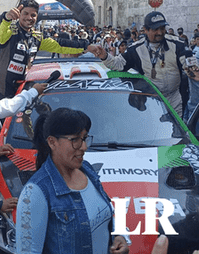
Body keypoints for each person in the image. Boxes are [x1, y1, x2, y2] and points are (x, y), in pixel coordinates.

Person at [16, 108, 129, 254]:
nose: (84, 147)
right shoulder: (36, 193)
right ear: (52, 142)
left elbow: (105, 212)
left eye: (85, 138)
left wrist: (119, 235)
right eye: (75, 140)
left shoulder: (87, 170)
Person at [89, 11, 193, 115]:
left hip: (175, 99)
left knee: (176, 130)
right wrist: (104, 56)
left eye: (162, 28)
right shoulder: (136, 49)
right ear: (146, 30)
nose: (160, 32)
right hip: (151, 101)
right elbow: (117, 64)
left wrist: (192, 69)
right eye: (155, 29)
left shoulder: (178, 44)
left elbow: (191, 66)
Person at [0, 0, 89, 100]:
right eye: (25, 14)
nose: (29, 18)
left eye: (33, 15)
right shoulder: (9, 32)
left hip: (21, 92)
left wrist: (86, 47)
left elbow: (61, 45)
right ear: (19, 15)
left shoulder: (37, 37)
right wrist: (6, 17)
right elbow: (0, 32)